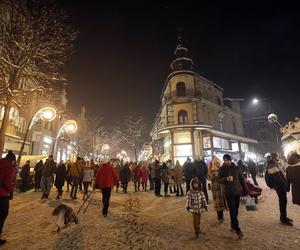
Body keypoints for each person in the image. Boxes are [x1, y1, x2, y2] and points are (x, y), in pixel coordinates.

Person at [219, 154, 248, 239]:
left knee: (236, 211)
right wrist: (226, 179)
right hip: (228, 193)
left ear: (231, 160)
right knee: (232, 211)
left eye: (228, 160)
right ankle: (238, 229)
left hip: (237, 192)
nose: (226, 161)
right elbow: (219, 180)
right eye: (225, 160)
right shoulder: (221, 169)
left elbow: (242, 180)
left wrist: (245, 191)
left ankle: (233, 224)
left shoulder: (236, 168)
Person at [267, 152, 293, 226]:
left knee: (283, 201)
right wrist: (284, 184)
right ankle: (283, 218)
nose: (279, 157)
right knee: (282, 201)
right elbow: (278, 177)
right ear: (275, 157)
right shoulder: (272, 164)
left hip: (280, 185)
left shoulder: (275, 163)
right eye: (278, 156)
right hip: (279, 186)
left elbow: (282, 173)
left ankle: (284, 216)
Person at [0, 151, 16, 246]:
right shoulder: (10, 168)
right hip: (2, 195)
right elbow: (8, 183)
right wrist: (10, 192)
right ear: (12, 160)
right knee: (2, 215)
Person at [208, 156, 226, 223]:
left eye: (218, 163)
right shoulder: (211, 170)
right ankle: (219, 217)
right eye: (216, 163)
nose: (217, 164)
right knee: (217, 203)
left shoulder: (222, 169)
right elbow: (209, 178)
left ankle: (222, 216)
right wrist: (213, 176)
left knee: (222, 202)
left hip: (222, 187)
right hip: (215, 188)